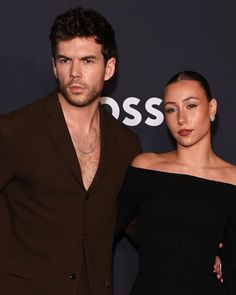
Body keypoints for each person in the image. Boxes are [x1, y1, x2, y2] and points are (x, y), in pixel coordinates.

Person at [0, 7, 141, 295]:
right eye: (65, 60)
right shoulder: (15, 130)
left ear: (109, 67)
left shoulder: (125, 143)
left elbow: (136, 220)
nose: (75, 73)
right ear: (54, 66)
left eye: (88, 60)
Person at [116, 70, 236, 294]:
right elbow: (102, 228)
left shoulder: (233, 180)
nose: (181, 118)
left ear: (211, 108)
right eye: (171, 109)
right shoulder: (146, 167)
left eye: (191, 106)